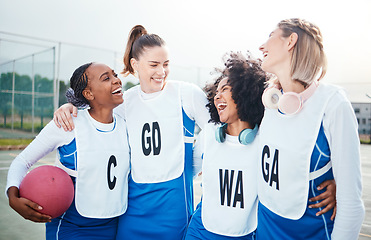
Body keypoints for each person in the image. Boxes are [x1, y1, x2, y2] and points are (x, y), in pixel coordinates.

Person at [53, 25, 211, 240]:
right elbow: (94, 114)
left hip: (173, 209)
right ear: (135, 65)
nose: (161, 72)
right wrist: (70, 108)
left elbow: (216, 128)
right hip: (133, 207)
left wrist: (195, 163)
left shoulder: (186, 94)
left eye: (166, 64)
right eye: (154, 65)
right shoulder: (125, 102)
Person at [256, 18, 365, 239]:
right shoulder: (269, 99)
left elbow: (351, 203)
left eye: (270, 36)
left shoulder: (333, 104)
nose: (261, 46)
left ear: (291, 41)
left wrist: (335, 180)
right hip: (265, 228)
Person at [6, 62, 130, 240]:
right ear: (88, 94)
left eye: (115, 75)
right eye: (106, 78)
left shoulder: (125, 122)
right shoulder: (68, 124)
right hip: (72, 228)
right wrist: (12, 196)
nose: (117, 80)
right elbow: (23, 161)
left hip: (115, 225)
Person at [185, 51, 266, 239]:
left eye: (225, 89)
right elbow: (187, 172)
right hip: (201, 229)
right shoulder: (209, 134)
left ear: (246, 92)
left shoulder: (265, 139)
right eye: (217, 91)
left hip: (245, 233)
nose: (217, 96)